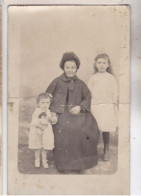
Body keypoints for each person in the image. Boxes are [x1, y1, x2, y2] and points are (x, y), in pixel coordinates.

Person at [46, 52, 99, 172]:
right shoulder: (56, 81)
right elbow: (47, 97)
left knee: (83, 129)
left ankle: (80, 164)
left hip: (77, 112)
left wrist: (80, 107)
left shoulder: (80, 83)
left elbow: (87, 97)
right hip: (60, 113)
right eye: (67, 67)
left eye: (73, 67)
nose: (70, 70)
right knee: (64, 129)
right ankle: (63, 165)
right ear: (63, 68)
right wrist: (53, 112)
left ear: (76, 68)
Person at [88, 53, 118, 161]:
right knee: (95, 129)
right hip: (95, 105)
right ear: (95, 64)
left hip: (107, 106)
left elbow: (115, 91)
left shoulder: (110, 78)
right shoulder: (93, 78)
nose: (101, 65)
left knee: (106, 128)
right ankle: (92, 150)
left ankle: (106, 149)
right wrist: (90, 104)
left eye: (104, 63)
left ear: (108, 65)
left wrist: (113, 104)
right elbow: (89, 92)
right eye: (99, 62)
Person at [28, 93, 57, 168]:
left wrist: (52, 119)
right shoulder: (37, 111)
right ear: (38, 103)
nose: (45, 105)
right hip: (38, 130)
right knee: (38, 147)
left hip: (46, 131)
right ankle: (37, 160)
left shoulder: (48, 111)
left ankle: (44, 161)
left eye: (47, 103)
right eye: (43, 103)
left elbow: (51, 120)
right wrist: (41, 128)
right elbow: (34, 122)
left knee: (45, 147)